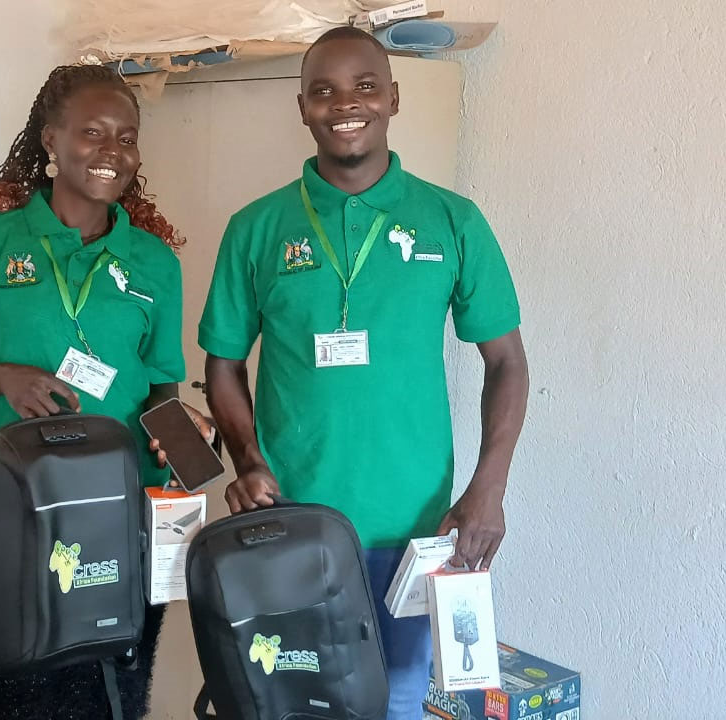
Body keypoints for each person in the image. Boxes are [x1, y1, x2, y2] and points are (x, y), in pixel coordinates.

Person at [198, 28, 529, 719]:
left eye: (364, 86)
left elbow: (506, 362)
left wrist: (488, 490)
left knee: (398, 702)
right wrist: (248, 460)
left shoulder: (452, 221)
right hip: (291, 528)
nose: (345, 104)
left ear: (394, 99)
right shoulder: (256, 228)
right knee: (291, 705)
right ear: (302, 108)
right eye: (323, 90)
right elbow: (223, 366)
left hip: (414, 531)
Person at [0, 63, 207, 720]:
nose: (112, 152)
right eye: (92, 133)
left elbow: (160, 393)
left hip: (129, 523)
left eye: (126, 136)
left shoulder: (153, 261)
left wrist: (189, 439)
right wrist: (0, 378)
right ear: (50, 140)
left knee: (116, 704)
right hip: (25, 520)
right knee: (24, 699)